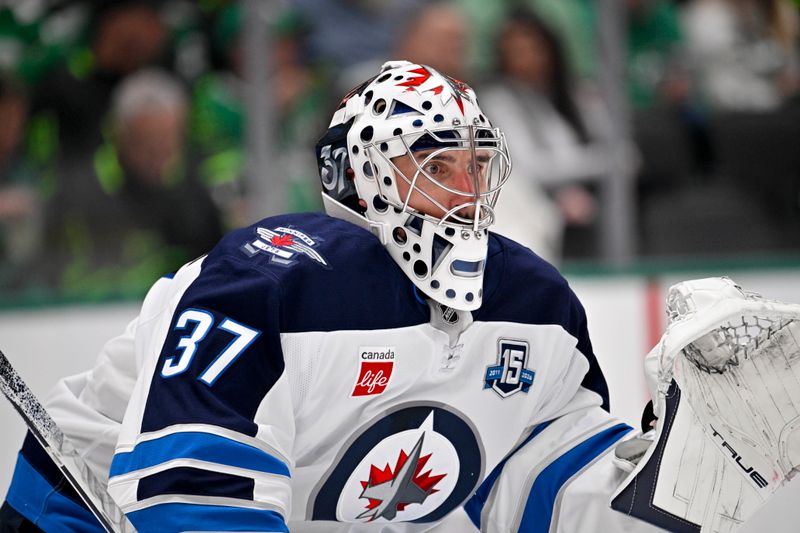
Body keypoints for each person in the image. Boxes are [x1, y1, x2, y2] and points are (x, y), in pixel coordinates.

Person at [0, 61, 796, 532]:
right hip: (77, 511)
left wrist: (679, 482)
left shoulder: (533, 302)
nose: (465, 190)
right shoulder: (272, 276)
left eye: (475, 164)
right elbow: (189, 482)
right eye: (435, 164)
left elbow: (548, 494)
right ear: (366, 176)